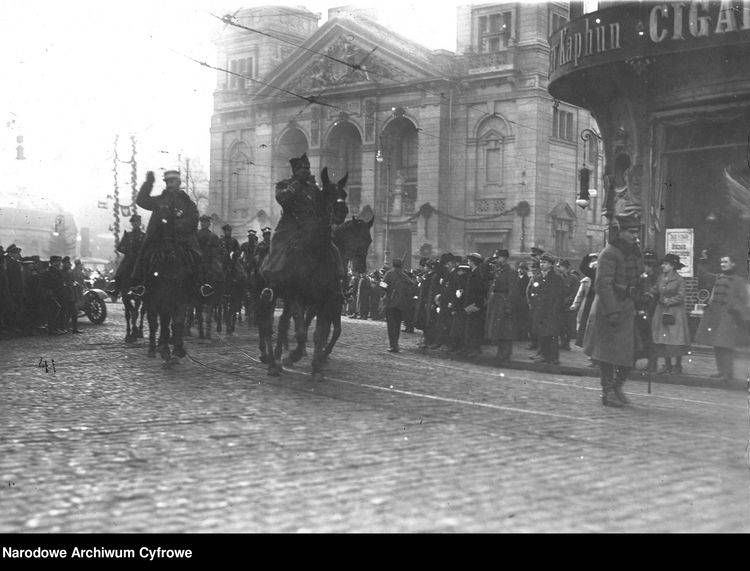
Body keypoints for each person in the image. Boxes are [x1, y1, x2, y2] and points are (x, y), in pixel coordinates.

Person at [583, 213, 644, 407]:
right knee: (607, 355)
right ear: (621, 232)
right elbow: (603, 285)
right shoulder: (609, 253)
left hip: (629, 308)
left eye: (637, 232)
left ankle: (617, 387)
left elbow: (640, 278)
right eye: (632, 232)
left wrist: (644, 295)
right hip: (609, 311)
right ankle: (607, 392)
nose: (636, 236)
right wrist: (612, 311)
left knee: (632, 353)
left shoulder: (634, 251)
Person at [262, 153, 344, 286]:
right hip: (290, 227)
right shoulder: (284, 184)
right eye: (303, 169)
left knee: (333, 248)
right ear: (295, 171)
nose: (307, 171)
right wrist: (296, 184)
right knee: (277, 244)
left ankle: (339, 281)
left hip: (311, 227)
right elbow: (282, 199)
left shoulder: (313, 189)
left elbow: (322, 206)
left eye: (308, 168)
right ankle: (271, 284)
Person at [130, 170, 204, 296]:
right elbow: (141, 201)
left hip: (182, 239)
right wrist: (148, 183)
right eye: (168, 182)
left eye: (172, 181)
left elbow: (193, 218)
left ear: (178, 182)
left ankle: (201, 285)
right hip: (159, 238)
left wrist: (177, 225)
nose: (170, 184)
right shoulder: (159, 200)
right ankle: (139, 284)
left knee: (197, 256)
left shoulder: (187, 203)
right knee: (144, 254)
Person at [694, 254, 750, 382]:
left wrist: (738, 312)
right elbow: (713, 295)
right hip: (716, 316)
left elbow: (745, 300)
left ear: (733, 264)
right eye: (721, 262)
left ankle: (728, 372)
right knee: (717, 344)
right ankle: (721, 371)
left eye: (725, 262)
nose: (723, 264)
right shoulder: (719, 278)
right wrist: (708, 304)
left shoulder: (739, 281)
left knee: (726, 345)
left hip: (730, 317)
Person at [647, 253, 690, 374]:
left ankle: (678, 365)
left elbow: (681, 296)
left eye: (666, 264)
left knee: (676, 339)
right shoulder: (661, 277)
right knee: (663, 338)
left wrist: (669, 301)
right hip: (661, 311)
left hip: (675, 313)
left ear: (673, 266)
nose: (663, 266)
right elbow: (655, 289)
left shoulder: (679, 280)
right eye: (663, 263)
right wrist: (649, 293)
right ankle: (667, 365)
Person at [485, 249, 522, 363]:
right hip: (497, 303)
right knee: (498, 328)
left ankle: (506, 353)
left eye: (498, 258)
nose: (496, 260)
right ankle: (501, 352)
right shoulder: (498, 271)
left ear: (505, 258)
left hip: (505, 303)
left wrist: (509, 306)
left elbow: (513, 291)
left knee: (506, 329)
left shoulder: (510, 272)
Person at [528, 253, 564, 364]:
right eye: (541, 262)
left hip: (551, 311)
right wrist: (532, 305)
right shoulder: (537, 277)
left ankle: (553, 358)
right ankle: (543, 355)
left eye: (545, 263)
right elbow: (531, 292)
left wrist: (555, 309)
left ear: (551, 265)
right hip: (539, 310)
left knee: (552, 334)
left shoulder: (556, 278)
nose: (542, 264)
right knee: (541, 333)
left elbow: (559, 295)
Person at [381, 259, 416, 352]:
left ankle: (392, 345)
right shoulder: (404, 275)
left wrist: (388, 290)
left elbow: (382, 285)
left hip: (390, 303)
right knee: (397, 325)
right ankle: (395, 344)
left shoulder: (389, 274)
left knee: (391, 326)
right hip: (401, 305)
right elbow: (412, 285)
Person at [110, 213, 145, 297]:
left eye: (137, 222)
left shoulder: (144, 236)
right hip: (129, 259)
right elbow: (119, 247)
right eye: (133, 222)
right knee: (119, 273)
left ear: (140, 223)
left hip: (140, 259)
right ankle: (116, 290)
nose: (135, 224)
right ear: (132, 224)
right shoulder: (128, 235)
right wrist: (128, 251)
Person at [463, 253, 487, 357]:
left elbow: (480, 291)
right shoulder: (474, 272)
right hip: (471, 305)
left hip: (475, 306)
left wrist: (475, 305)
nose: (468, 262)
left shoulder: (478, 274)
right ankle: (471, 348)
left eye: (469, 261)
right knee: (471, 328)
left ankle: (475, 349)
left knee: (475, 329)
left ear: (473, 262)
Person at [572, 253, 597, 350]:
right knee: (588, 326)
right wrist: (589, 256)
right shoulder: (594, 273)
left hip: (602, 301)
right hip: (591, 300)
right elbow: (583, 267)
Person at [556, 259, 580, 350]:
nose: (558, 268)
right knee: (560, 325)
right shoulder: (557, 277)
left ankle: (566, 343)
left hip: (568, 306)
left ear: (565, 267)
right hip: (559, 305)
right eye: (557, 266)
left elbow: (576, 292)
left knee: (569, 325)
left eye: (560, 266)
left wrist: (569, 300)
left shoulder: (573, 278)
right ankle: (562, 342)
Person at [42, 255, 66, 335]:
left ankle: (56, 328)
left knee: (58, 311)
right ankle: (51, 329)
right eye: (56, 262)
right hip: (52, 294)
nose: (58, 263)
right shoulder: (48, 272)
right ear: (52, 263)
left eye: (59, 262)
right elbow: (46, 284)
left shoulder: (58, 271)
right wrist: (50, 293)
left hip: (59, 294)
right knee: (52, 312)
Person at [60, 256, 82, 334]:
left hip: (71, 295)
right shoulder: (61, 272)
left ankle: (74, 329)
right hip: (64, 295)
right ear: (63, 264)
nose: (69, 264)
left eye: (69, 263)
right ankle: (64, 328)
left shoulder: (70, 272)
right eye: (67, 263)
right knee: (65, 313)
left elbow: (73, 282)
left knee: (74, 313)